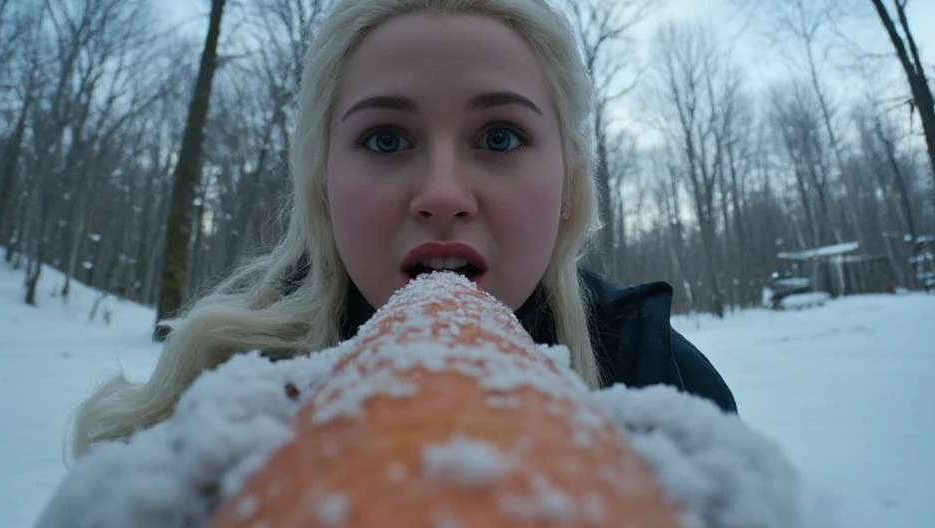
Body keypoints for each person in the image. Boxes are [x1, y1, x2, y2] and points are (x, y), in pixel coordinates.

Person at [70, 0, 736, 461]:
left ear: (569, 184)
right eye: (386, 138)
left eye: (500, 137)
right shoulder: (216, 397)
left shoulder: (670, 389)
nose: (442, 195)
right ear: (323, 184)